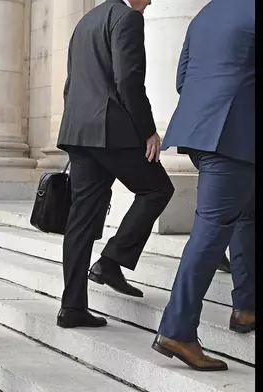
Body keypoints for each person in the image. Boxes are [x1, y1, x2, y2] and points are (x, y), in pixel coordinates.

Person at [55, 0, 174, 329]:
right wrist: (148, 131)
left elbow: (71, 84)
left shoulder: (86, 21)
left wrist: (77, 124)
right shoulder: (128, 18)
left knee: (80, 220)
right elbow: (128, 81)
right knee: (157, 188)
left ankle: (72, 307)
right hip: (111, 129)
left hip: (79, 131)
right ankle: (111, 261)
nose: (150, 2)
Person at [153, 0, 254, 371]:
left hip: (201, 132)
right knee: (211, 230)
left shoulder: (206, 13)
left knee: (244, 215)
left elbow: (182, 79)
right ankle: (177, 330)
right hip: (234, 138)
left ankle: (246, 307)